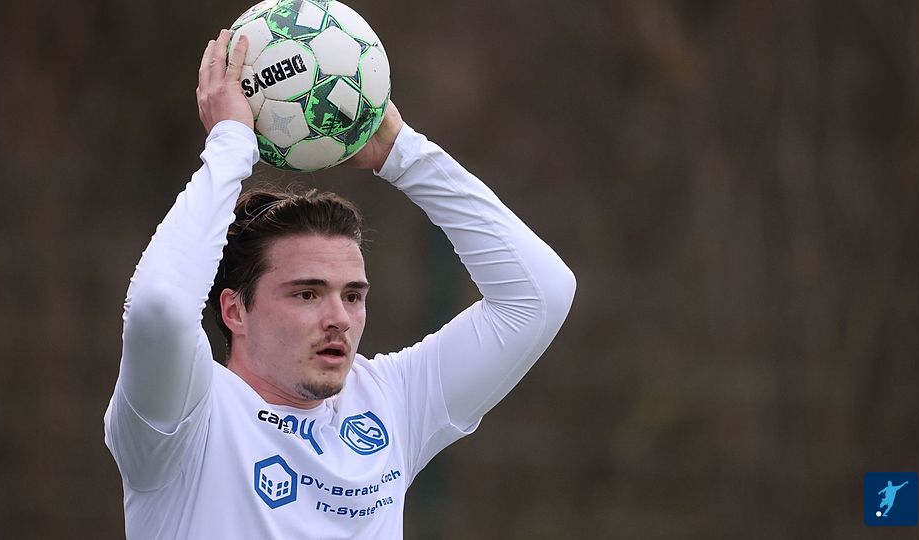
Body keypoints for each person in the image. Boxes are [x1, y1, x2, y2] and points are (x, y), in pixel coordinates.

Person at [104, 29, 575, 539]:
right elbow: (160, 308)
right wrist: (230, 144)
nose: (339, 319)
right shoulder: (183, 418)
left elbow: (540, 295)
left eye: (352, 295)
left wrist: (403, 155)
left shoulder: (390, 403)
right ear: (235, 310)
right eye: (306, 293)